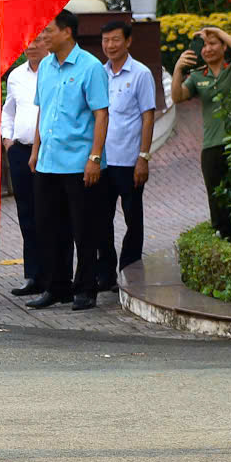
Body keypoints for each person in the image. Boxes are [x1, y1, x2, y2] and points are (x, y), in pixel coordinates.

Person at [29, 11, 110, 310]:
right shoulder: (46, 68)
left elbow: (101, 113)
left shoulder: (90, 67)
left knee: (84, 229)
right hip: (48, 162)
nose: (43, 36)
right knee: (50, 228)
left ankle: (86, 288)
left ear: (67, 33)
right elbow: (43, 111)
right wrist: (36, 151)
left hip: (79, 163)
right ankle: (57, 287)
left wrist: (95, 158)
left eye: (48, 31)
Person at [91, 21, 159, 293]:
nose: (110, 45)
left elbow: (148, 116)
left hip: (130, 161)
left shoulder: (140, 73)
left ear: (128, 42)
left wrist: (143, 157)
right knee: (100, 220)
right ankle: (105, 274)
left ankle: (130, 270)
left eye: (115, 40)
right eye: (106, 40)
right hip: (104, 161)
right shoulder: (99, 73)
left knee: (133, 219)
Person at [173, 23, 231, 240]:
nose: (207, 49)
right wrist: (178, 69)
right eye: (204, 45)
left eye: (213, 44)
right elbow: (177, 97)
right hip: (211, 146)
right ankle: (223, 237)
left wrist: (218, 31)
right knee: (216, 198)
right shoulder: (197, 77)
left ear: (224, 47)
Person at [1, 41, 44, 291]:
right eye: (28, 42)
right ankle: (33, 275)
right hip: (20, 150)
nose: (32, 46)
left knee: (49, 214)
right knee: (26, 214)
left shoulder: (53, 70)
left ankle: (55, 274)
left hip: (48, 153)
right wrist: (7, 139)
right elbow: (8, 110)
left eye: (38, 40)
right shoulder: (16, 75)